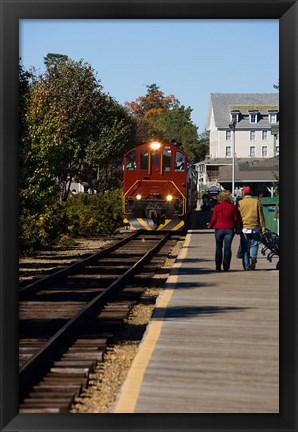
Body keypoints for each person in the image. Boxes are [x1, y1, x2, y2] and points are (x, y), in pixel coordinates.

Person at [207, 190, 239, 272]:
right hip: (229, 229)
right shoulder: (232, 207)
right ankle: (226, 266)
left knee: (218, 247)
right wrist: (233, 224)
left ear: (220, 197)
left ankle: (218, 266)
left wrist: (210, 225)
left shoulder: (217, 207)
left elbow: (213, 219)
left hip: (219, 229)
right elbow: (236, 218)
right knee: (227, 248)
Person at [237, 186, 266, 271]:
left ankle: (246, 266)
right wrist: (263, 228)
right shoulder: (256, 202)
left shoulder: (240, 203)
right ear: (251, 193)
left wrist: (238, 228)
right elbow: (261, 216)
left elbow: (238, 217)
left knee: (245, 247)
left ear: (243, 193)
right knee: (254, 245)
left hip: (244, 228)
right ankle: (253, 258)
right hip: (255, 227)